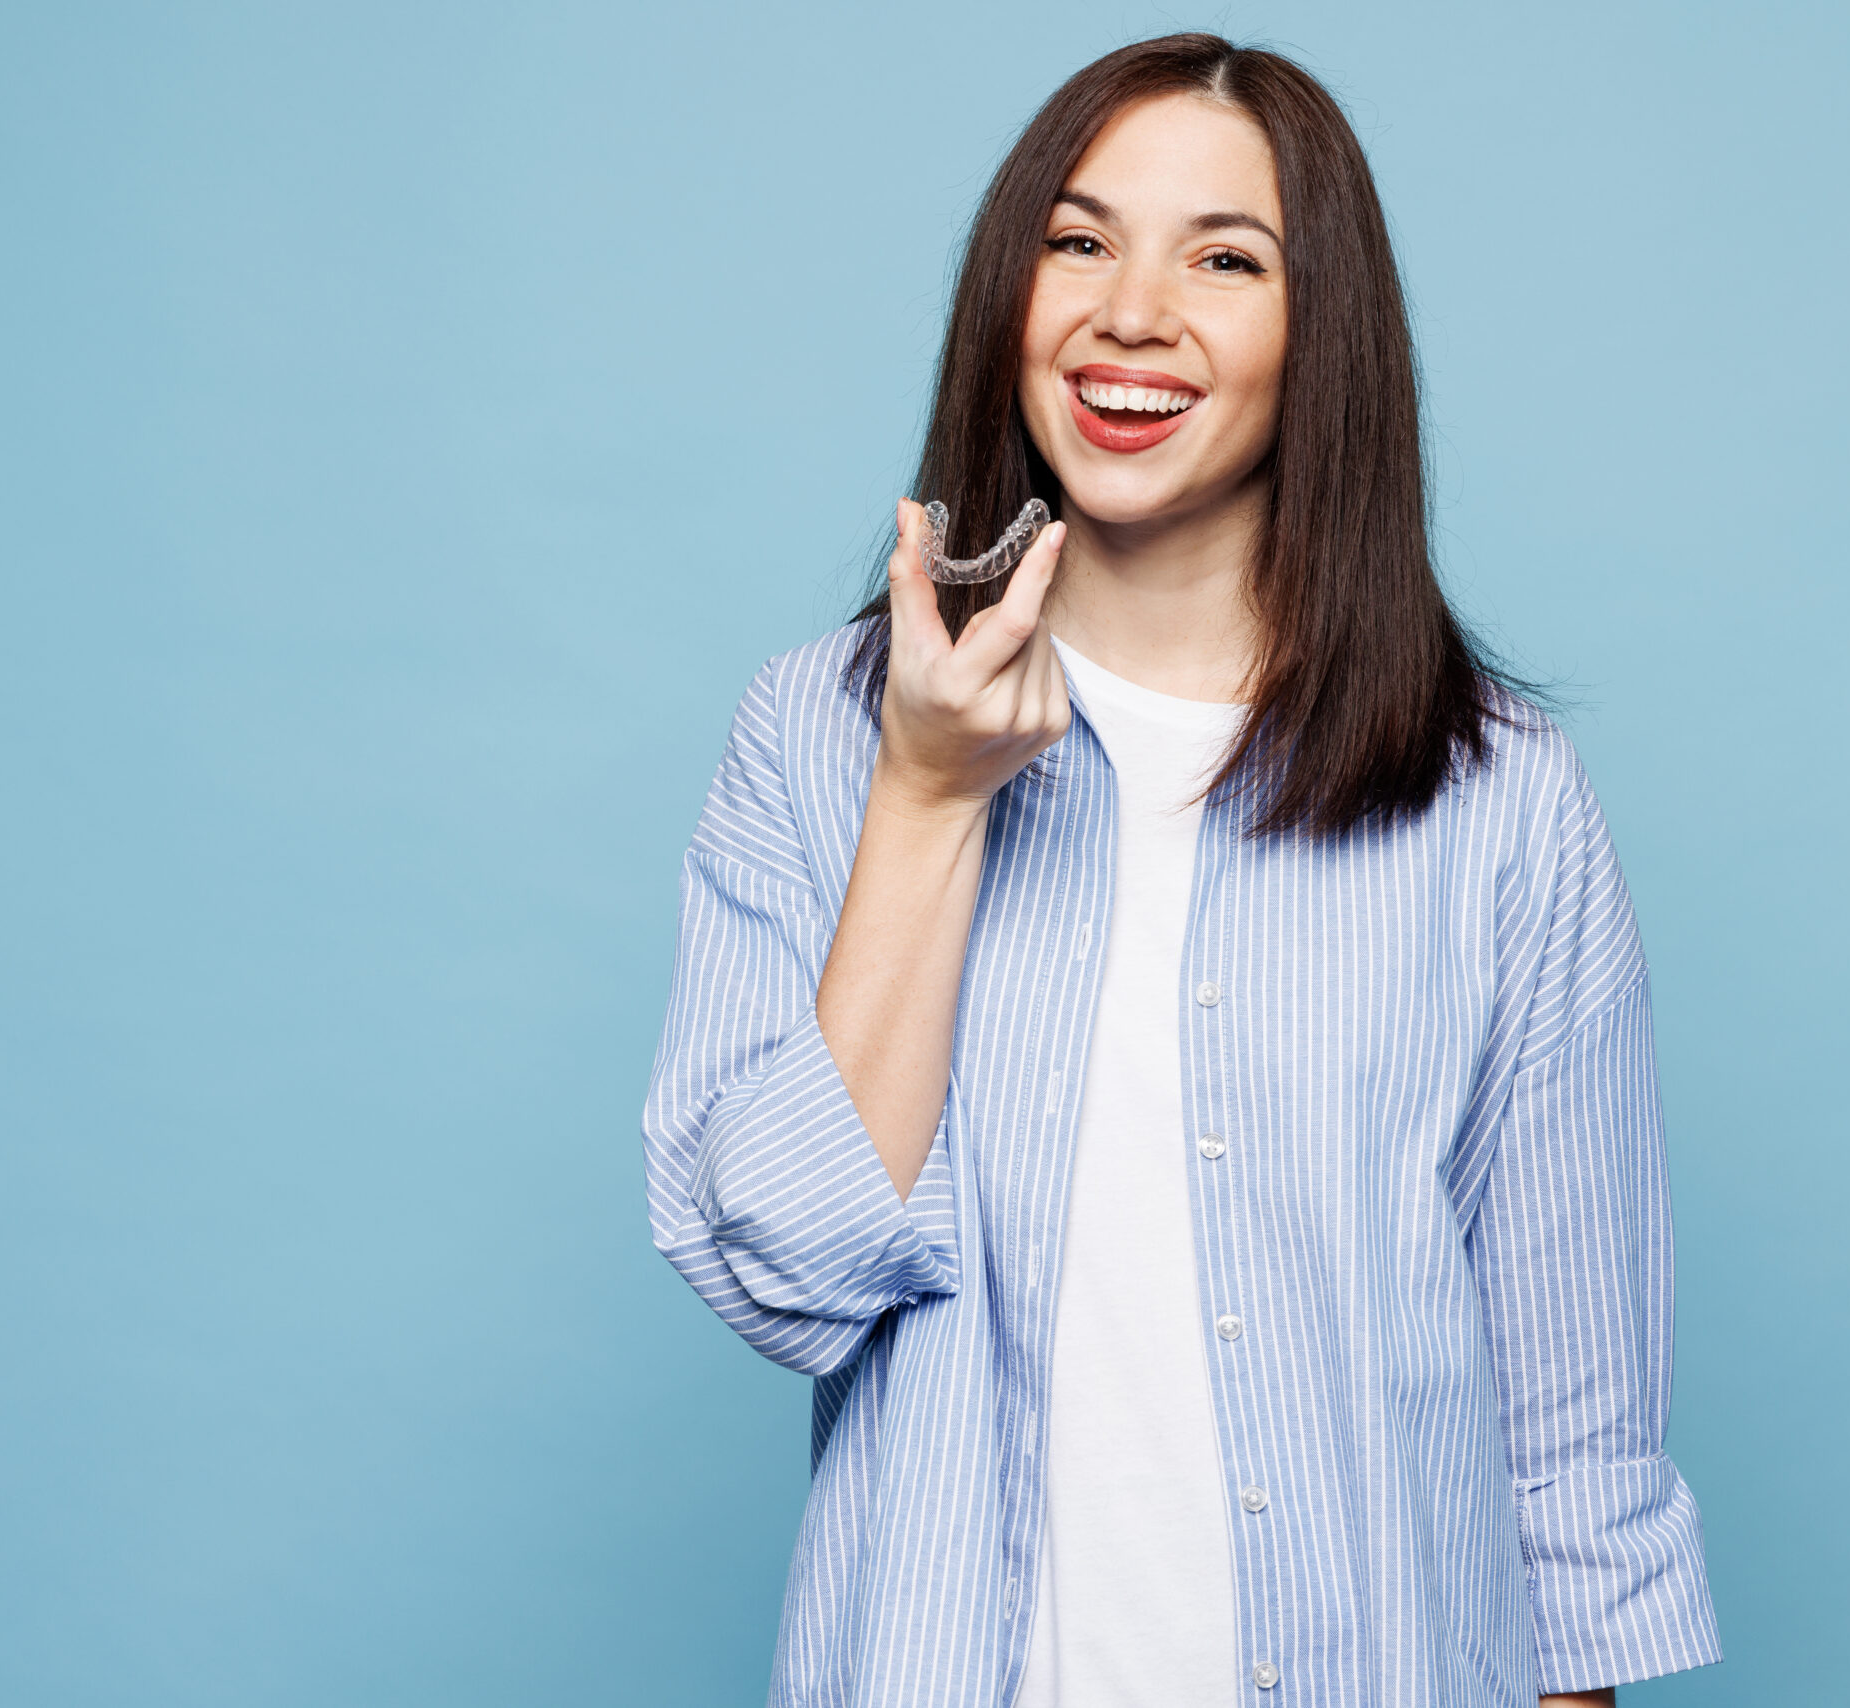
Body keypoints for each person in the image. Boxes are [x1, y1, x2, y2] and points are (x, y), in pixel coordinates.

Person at [644, 31, 1724, 1708]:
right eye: (1079, 242)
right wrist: (929, 799)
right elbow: (786, 1269)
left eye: (1225, 258)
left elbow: (1576, 1448)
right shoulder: (814, 735)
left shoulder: (1501, 798)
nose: (1129, 310)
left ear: (1323, 337)